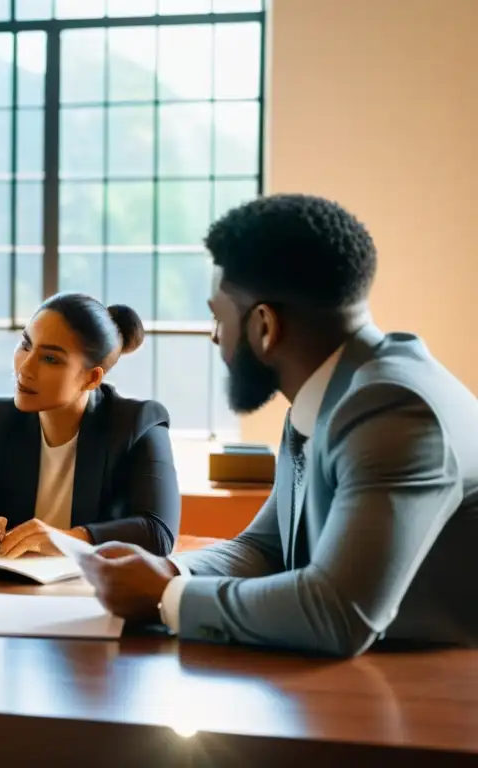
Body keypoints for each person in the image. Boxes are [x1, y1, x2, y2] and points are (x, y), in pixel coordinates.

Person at [78, 194, 478, 656]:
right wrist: (168, 572)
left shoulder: (393, 409)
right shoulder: (329, 396)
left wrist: (164, 597)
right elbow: (264, 549)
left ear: (264, 326)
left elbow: (337, 611)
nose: (214, 337)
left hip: (440, 701)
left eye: (218, 319)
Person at [0, 293, 181, 559]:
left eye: (50, 359)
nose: (25, 368)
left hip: (94, 591)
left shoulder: (138, 423)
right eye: (26, 344)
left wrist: (67, 539)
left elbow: (158, 532)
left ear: (91, 378)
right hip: (10, 588)